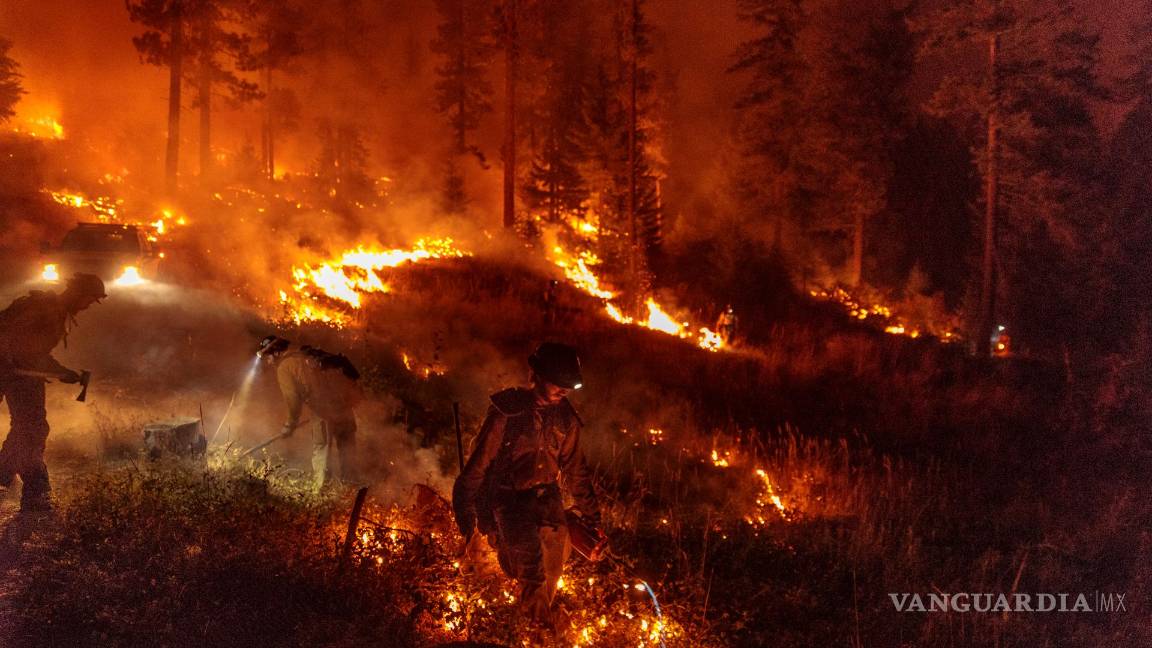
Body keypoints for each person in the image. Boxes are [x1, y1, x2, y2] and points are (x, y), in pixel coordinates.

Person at [452, 342, 600, 627]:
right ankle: (536, 636)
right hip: (510, 502)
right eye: (559, 384)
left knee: (552, 575)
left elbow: (576, 470)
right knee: (531, 573)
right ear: (539, 376)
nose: (564, 390)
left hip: (548, 501)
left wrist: (593, 517)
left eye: (569, 386)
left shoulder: (566, 418)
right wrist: (466, 518)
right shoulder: (508, 413)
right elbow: (477, 467)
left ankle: (535, 626)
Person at [0, 273, 106, 512]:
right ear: (78, 293)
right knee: (32, 429)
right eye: (88, 300)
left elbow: (32, 353)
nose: (88, 306)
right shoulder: (47, 312)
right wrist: (61, 371)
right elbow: (26, 352)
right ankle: (33, 492)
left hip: (20, 373)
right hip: (14, 372)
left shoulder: (53, 311)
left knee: (29, 427)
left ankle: (15, 481)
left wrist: (62, 372)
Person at [256, 336, 362, 492]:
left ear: (276, 353)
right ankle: (352, 488)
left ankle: (322, 492)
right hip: (344, 406)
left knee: (322, 449)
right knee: (347, 448)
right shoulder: (306, 356)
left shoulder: (284, 367)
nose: (267, 362)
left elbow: (293, 400)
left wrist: (290, 424)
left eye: (267, 357)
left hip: (323, 411)